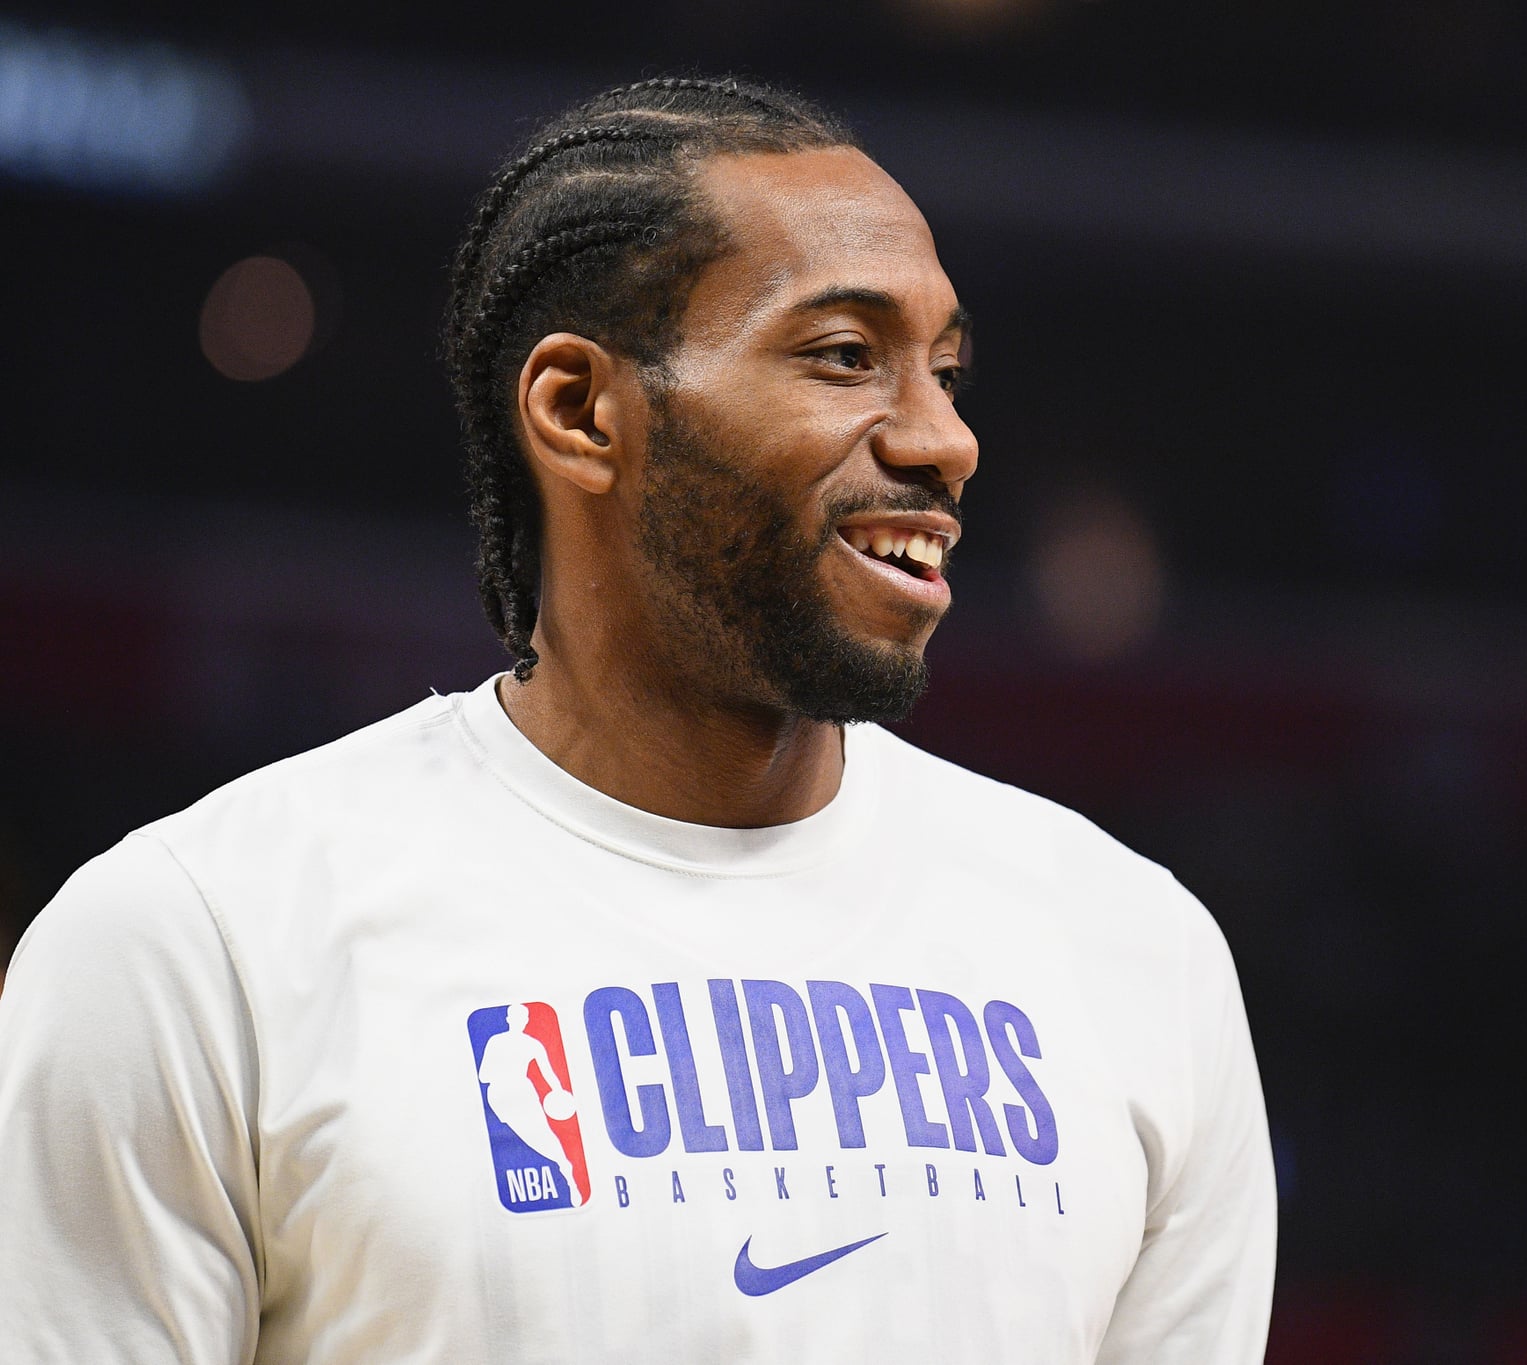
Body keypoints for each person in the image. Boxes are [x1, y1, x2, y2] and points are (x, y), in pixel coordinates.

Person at [0, 76, 1274, 1362]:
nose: (946, 440)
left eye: (944, 372)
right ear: (579, 410)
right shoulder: (194, 944)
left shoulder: (1134, 955)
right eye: (844, 356)